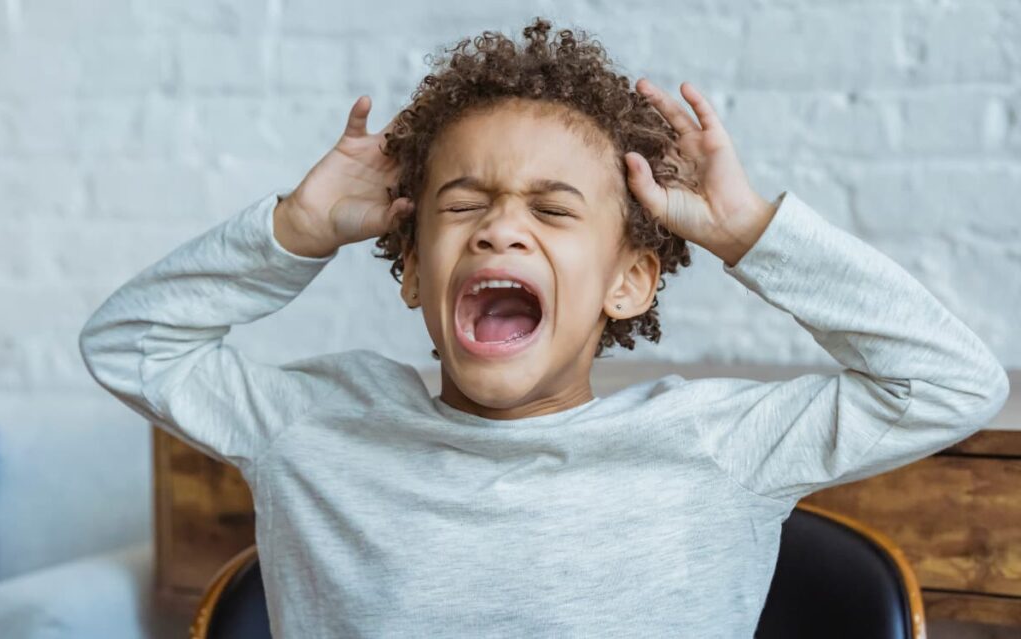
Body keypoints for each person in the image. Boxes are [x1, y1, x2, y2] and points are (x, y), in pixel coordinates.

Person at [78, 17, 1009, 639]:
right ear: (412, 270)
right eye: (463, 204)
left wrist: (751, 232)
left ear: (628, 283)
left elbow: (952, 383)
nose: (500, 227)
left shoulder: (718, 446)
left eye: (553, 209)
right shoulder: (313, 427)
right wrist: (295, 228)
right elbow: (126, 343)